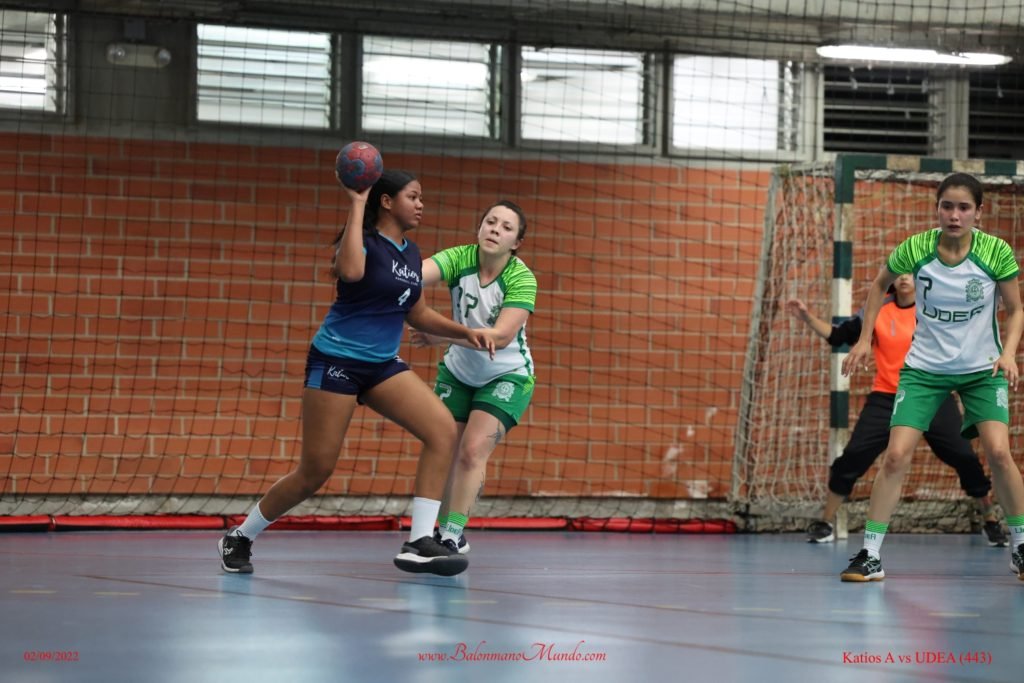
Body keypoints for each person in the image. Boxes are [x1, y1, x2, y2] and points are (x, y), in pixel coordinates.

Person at [218, 169, 494, 577]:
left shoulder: (412, 253)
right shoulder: (363, 242)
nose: (421, 205)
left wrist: (465, 332)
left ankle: (420, 541)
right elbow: (349, 272)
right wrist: (357, 201)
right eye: (413, 197)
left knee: (441, 430)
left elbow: (416, 313)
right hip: (337, 361)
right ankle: (241, 536)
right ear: (387, 202)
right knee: (316, 470)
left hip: (382, 365)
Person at [839, 172, 1024, 582]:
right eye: (947, 206)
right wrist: (865, 340)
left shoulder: (995, 253)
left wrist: (1009, 353)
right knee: (895, 455)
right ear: (937, 208)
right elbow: (878, 287)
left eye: (964, 208)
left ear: (978, 212)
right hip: (924, 369)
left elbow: (1016, 310)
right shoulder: (916, 249)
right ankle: (870, 554)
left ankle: (1020, 547)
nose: (955, 215)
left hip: (982, 370)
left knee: (998, 452)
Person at [787, 278, 1008, 547]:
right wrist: (806, 316)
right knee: (853, 456)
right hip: (887, 397)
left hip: (933, 395)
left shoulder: (935, 308)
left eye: (909, 273)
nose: (904, 277)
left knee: (964, 456)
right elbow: (838, 336)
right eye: (899, 273)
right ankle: (826, 522)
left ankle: (989, 519)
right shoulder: (879, 309)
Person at [409, 200, 536, 554]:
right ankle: (433, 530)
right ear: (479, 228)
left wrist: (440, 334)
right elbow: (412, 275)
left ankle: (452, 534)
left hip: (507, 375)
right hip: (459, 372)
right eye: (490, 222)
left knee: (472, 450)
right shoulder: (459, 258)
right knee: (444, 448)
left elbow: (500, 337)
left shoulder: (521, 278)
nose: (495, 229)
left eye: (506, 227)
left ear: (516, 243)